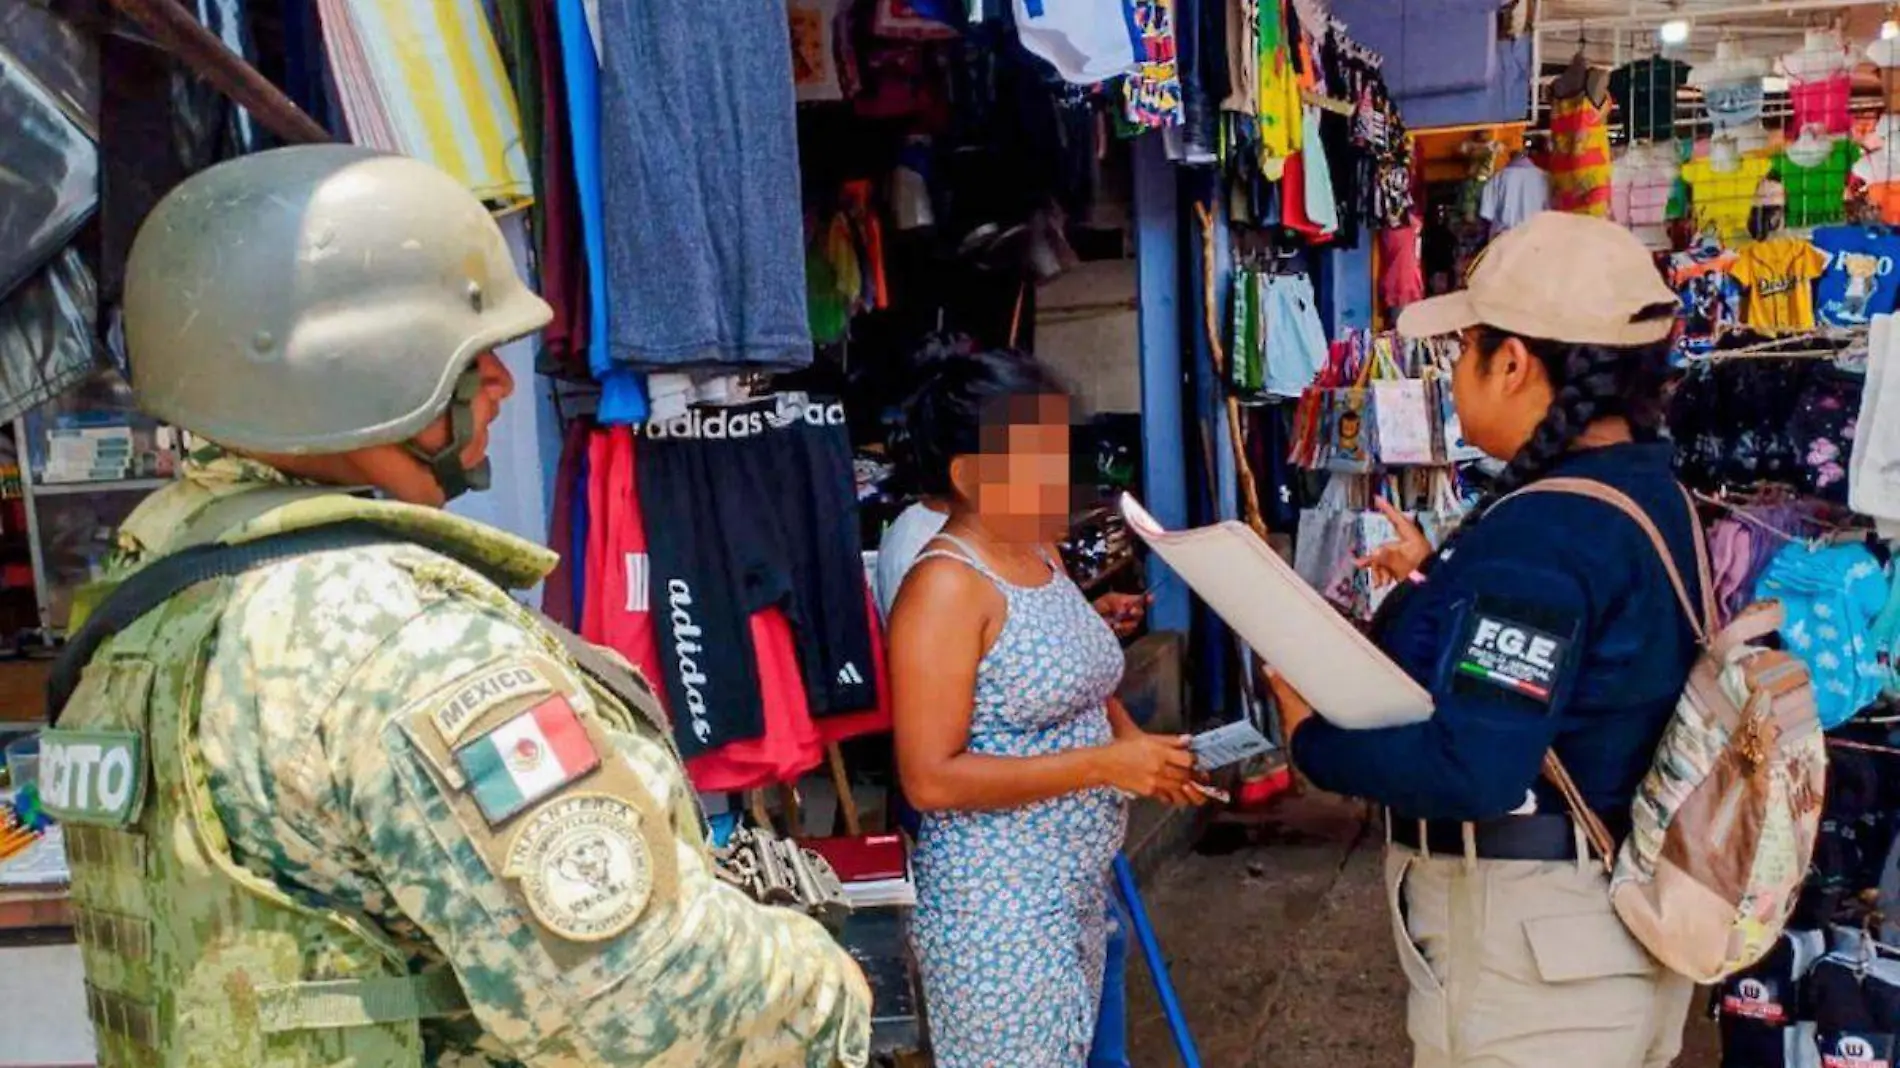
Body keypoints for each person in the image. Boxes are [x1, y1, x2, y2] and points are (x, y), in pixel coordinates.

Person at [38, 145, 870, 1066]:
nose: (505, 386)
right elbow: (655, 1008)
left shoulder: (143, 607)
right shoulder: (402, 640)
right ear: (360, 371)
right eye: (473, 359)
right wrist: (826, 982)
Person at [1277, 212, 1703, 1068]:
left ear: (1512, 363)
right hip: (1605, 933)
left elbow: (1471, 766)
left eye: (1464, 348)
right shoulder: (1644, 492)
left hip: (1536, 959)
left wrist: (1306, 739)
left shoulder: (1544, 533)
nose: (1456, 373)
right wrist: (1442, 584)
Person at [885, 348, 1202, 1068]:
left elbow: (1091, 684)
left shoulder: (1039, 551)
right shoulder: (944, 587)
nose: (1062, 477)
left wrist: (1144, 758)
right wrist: (1104, 764)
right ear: (969, 477)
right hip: (998, 913)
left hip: (1074, 893)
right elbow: (930, 780)